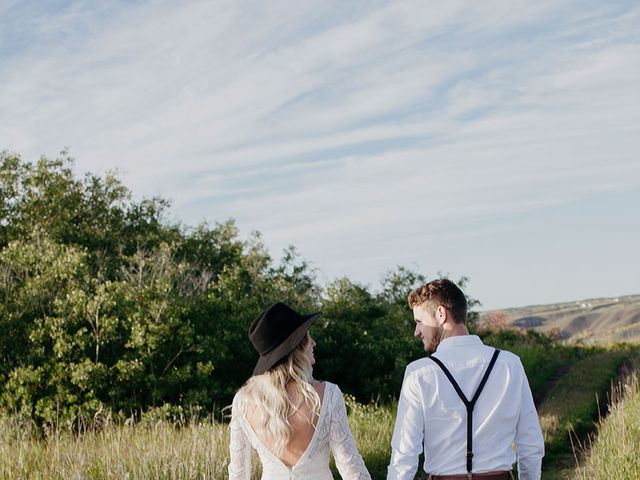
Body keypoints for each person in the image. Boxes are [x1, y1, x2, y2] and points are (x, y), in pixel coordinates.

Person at [387, 279, 544, 480]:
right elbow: (530, 444)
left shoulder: (419, 374)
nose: (417, 331)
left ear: (441, 314)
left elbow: (404, 456)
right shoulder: (509, 364)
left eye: (419, 321)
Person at [228, 301, 372, 480]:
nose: (313, 343)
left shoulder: (243, 402)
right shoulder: (328, 395)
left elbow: (238, 474)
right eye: (307, 337)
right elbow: (350, 467)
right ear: (296, 348)